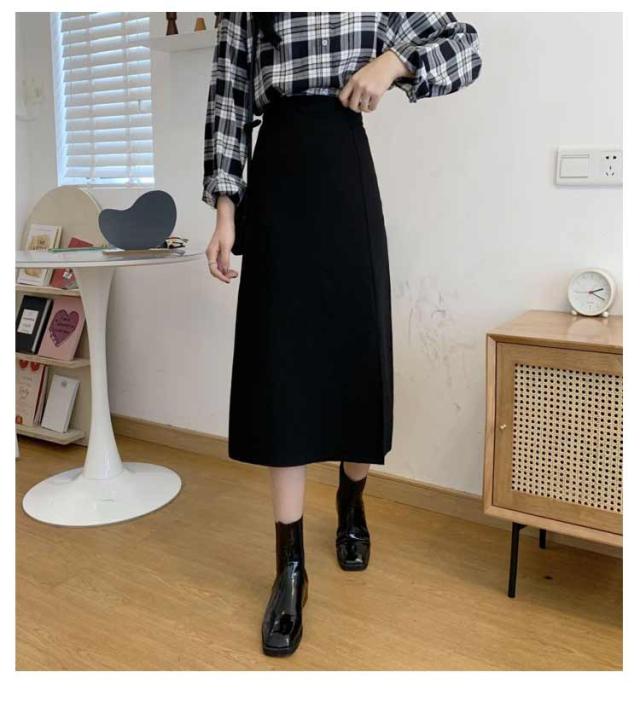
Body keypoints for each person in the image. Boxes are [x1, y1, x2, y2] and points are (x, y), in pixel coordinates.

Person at [203, 12, 481, 657]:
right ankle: (290, 568)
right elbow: (228, 96)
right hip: (276, 180)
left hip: (345, 171)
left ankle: (351, 502)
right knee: (281, 366)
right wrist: (225, 211)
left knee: (359, 357)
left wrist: (395, 64)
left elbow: (465, 47)